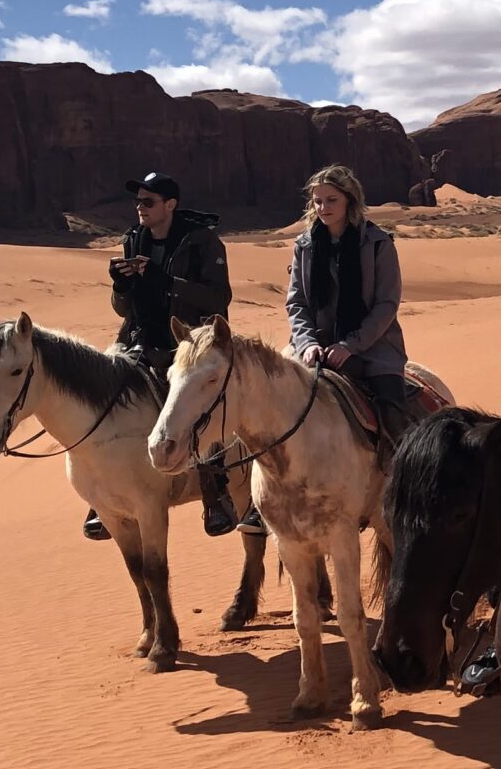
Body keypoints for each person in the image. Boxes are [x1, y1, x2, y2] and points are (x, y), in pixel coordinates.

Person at [87, 170, 249, 540]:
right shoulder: (133, 239)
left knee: (199, 403)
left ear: (170, 205)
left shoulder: (201, 242)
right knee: (102, 395)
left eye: (148, 201)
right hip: (138, 340)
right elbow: (122, 308)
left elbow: (217, 299)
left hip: (188, 343)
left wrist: (166, 281)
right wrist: (121, 286)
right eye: (138, 201)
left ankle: (216, 492)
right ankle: (101, 499)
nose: (140, 208)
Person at [286, 164, 408, 413]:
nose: (323, 208)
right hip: (314, 346)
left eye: (332, 200)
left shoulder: (378, 244)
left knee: (395, 420)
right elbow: (296, 302)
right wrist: (307, 343)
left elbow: (387, 304)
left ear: (349, 200)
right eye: (317, 201)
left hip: (374, 348)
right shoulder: (305, 246)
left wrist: (349, 345)